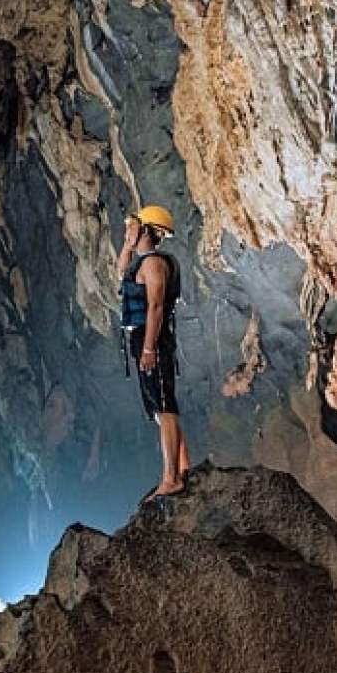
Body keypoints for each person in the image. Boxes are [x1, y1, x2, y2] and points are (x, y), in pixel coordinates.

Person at [117, 204, 191, 500]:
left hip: (153, 340)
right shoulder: (142, 262)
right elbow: (122, 272)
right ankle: (182, 468)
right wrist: (127, 242)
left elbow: (156, 307)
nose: (128, 230)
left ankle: (171, 478)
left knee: (164, 406)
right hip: (142, 339)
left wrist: (149, 347)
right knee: (159, 408)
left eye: (133, 226)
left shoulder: (154, 264)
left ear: (146, 230)